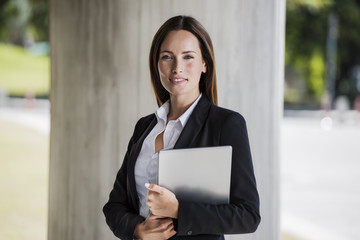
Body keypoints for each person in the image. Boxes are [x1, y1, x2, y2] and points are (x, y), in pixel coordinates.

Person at [103, 15, 260, 240]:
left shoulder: (226, 125)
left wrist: (177, 209)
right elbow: (114, 206)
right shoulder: (144, 127)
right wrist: (138, 230)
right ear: (157, 64)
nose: (177, 68)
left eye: (188, 57)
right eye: (167, 57)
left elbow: (248, 215)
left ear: (204, 63)